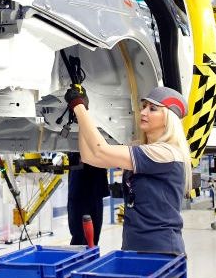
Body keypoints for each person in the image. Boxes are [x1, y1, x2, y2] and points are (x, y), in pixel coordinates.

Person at [65, 84, 192, 255]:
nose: (144, 112)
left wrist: (79, 106)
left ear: (169, 118)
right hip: (134, 247)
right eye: (144, 107)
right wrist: (83, 113)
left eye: (153, 109)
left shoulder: (166, 153)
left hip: (161, 251)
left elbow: (100, 150)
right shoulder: (143, 149)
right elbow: (90, 157)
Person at [67, 159, 109, 246]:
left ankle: (93, 258)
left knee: (95, 236)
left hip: (96, 189)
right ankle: (78, 259)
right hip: (79, 190)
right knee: (79, 236)